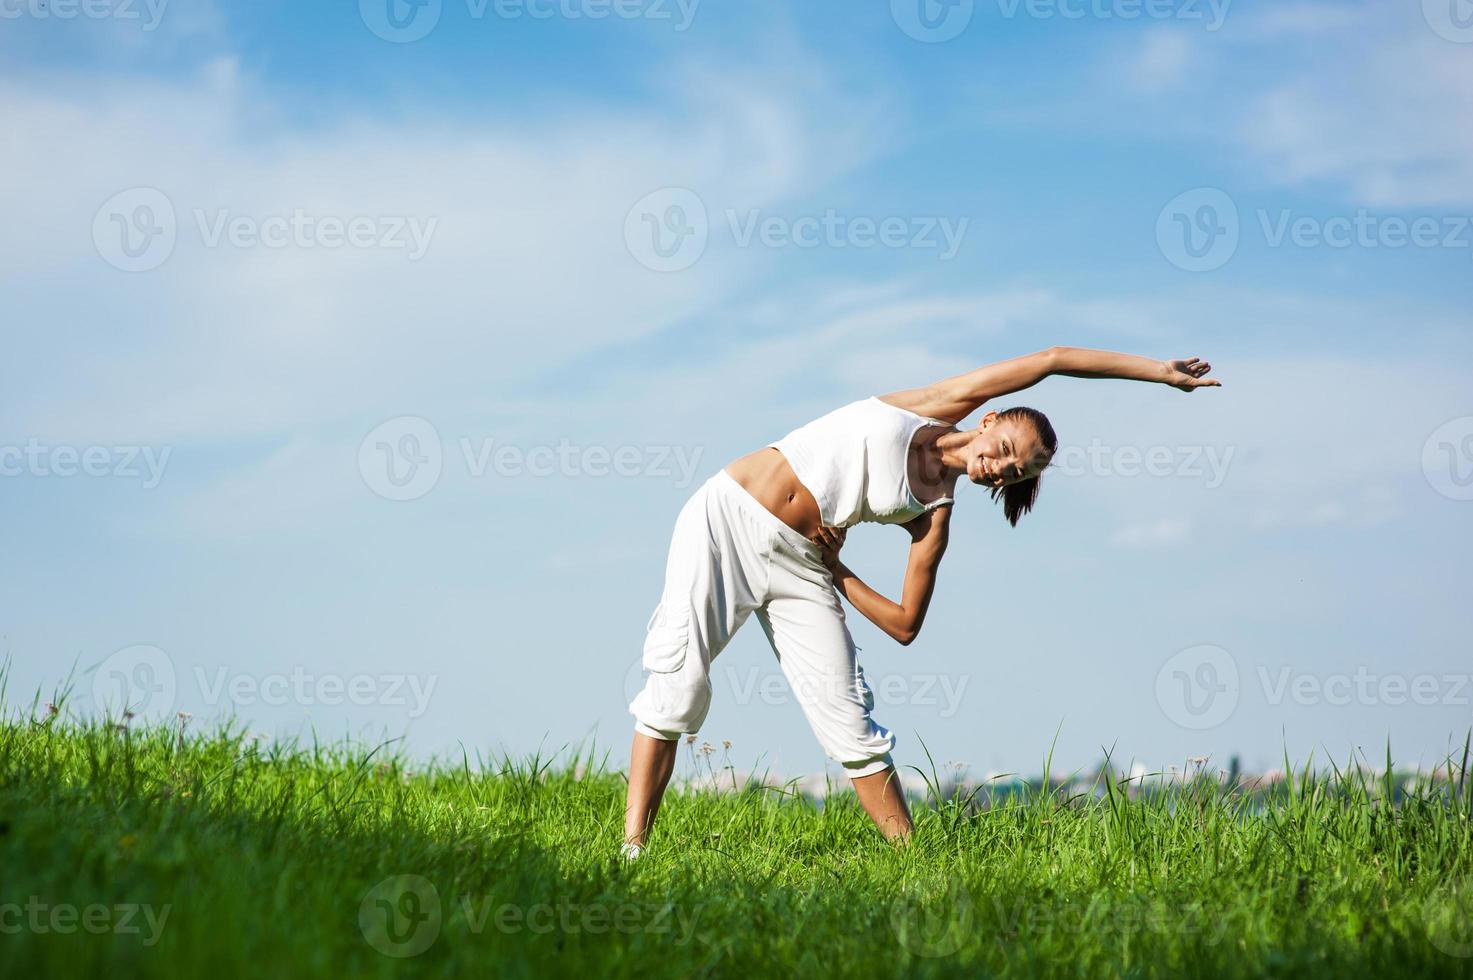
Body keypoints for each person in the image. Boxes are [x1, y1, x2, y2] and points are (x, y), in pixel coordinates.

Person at [622, 346, 1221, 855]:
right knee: (678, 681)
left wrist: (837, 567)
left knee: (852, 720)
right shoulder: (933, 405)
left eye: (1016, 474)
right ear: (988, 421)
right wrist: (1159, 374)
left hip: (806, 563)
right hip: (728, 515)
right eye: (1009, 448)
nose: (1004, 467)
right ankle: (633, 852)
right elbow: (1053, 360)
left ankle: (912, 862)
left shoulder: (934, 518)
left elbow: (906, 625)